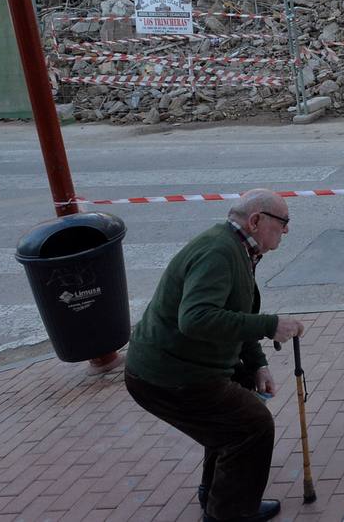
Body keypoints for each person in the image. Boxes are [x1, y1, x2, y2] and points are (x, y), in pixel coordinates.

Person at [124, 189, 305, 522]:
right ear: (256, 221)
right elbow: (195, 318)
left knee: (231, 416)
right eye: (284, 222)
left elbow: (236, 310)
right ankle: (229, 514)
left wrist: (257, 364)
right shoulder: (219, 253)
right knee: (251, 425)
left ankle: (217, 494)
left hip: (181, 366)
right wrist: (269, 325)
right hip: (167, 375)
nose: (287, 230)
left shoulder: (238, 248)